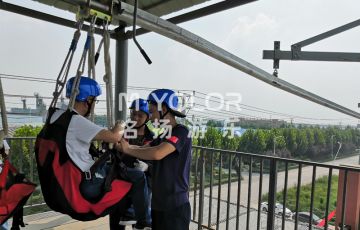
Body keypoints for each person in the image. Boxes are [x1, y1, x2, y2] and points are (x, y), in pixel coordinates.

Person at [118, 89, 192, 230]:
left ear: (163, 109)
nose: (150, 118)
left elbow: (157, 153)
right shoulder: (162, 136)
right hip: (158, 205)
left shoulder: (182, 132)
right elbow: (144, 149)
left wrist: (127, 149)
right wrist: (123, 147)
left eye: (152, 112)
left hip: (175, 207)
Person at [49, 76, 124, 200]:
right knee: (135, 177)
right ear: (88, 100)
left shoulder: (56, 115)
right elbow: (115, 137)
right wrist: (121, 124)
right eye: (94, 101)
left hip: (62, 181)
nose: (94, 104)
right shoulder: (75, 121)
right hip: (87, 182)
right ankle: (134, 216)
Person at [117, 99, 153, 229]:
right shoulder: (121, 132)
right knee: (117, 219)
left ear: (147, 117)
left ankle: (138, 218)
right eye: (133, 114)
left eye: (140, 115)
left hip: (142, 185)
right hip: (121, 180)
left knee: (138, 221)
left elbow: (156, 162)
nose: (135, 117)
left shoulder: (152, 138)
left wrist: (147, 166)